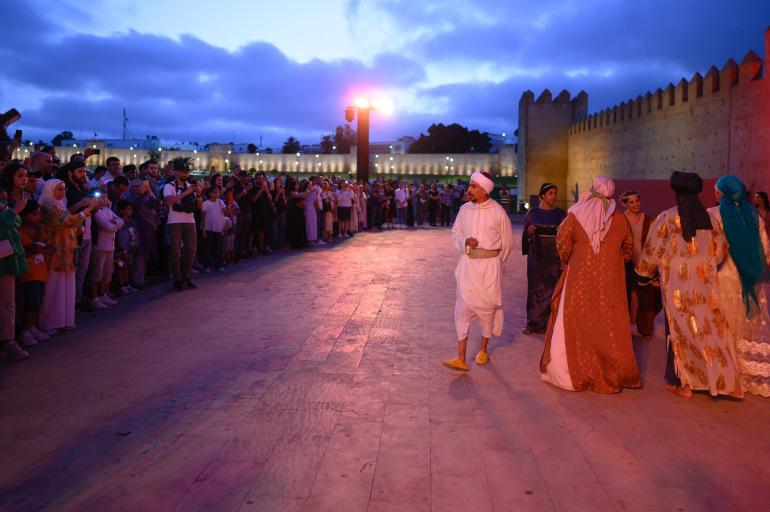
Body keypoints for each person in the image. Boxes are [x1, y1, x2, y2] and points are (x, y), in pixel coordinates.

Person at [636, 171, 741, 398]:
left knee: (680, 329)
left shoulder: (667, 217)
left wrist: (644, 275)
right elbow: (721, 251)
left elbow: (652, 251)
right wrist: (705, 264)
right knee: (708, 328)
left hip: (677, 282)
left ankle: (685, 384)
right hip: (705, 283)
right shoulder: (709, 220)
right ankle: (718, 381)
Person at [539, 176, 641, 393]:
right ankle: (614, 372)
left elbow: (562, 244)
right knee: (608, 324)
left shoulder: (575, 216)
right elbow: (628, 250)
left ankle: (575, 373)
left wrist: (573, 260)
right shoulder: (621, 220)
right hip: (611, 282)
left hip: (579, 279)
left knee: (577, 320)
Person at [442, 171, 514, 371]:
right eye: (470, 185)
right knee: (462, 309)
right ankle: (461, 357)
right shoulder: (464, 210)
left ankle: (483, 350)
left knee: (487, 309)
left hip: (490, 268)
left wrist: (495, 262)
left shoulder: (498, 212)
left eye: (473, 186)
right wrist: (465, 242)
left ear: (484, 190)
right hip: (468, 266)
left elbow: (508, 242)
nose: (469, 189)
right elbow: (455, 233)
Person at [708, 176, 770, 397]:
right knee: (746, 323)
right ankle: (745, 372)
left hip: (723, 278)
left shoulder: (713, 215)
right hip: (750, 280)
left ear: (720, 193)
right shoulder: (755, 216)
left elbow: (711, 252)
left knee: (724, 322)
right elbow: (764, 250)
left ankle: (725, 374)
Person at [38, 179, 94, 333]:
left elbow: (70, 224)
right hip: (55, 252)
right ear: (50, 190)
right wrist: (87, 210)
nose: (62, 193)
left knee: (66, 286)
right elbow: (65, 222)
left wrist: (78, 229)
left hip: (67, 251)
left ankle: (64, 320)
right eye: (58, 189)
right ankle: (50, 322)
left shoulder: (61, 206)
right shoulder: (47, 207)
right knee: (54, 288)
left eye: (63, 189)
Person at [522, 183, 566, 334]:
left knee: (552, 289)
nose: (553, 196)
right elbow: (525, 236)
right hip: (537, 255)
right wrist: (529, 231)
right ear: (542, 196)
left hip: (553, 256)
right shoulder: (532, 213)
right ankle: (532, 323)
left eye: (555, 193)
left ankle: (549, 323)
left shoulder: (560, 214)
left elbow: (565, 237)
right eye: (550, 193)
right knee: (535, 288)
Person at [621, 191, 662, 338]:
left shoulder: (647, 219)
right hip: (625, 261)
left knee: (644, 295)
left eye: (637, 201)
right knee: (627, 293)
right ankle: (627, 327)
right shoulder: (620, 219)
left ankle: (643, 327)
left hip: (643, 261)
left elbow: (654, 241)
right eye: (631, 202)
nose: (635, 204)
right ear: (625, 204)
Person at [0, 185, 29, 360]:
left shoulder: (4, 205)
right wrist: (13, 212)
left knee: (7, 302)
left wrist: (11, 212)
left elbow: (16, 221)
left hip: (6, 258)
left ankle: (8, 340)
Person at [17, 200, 51, 347]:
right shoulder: (19, 231)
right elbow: (27, 249)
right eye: (34, 214)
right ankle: (25, 330)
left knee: (38, 301)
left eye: (39, 214)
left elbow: (44, 245)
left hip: (41, 269)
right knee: (31, 302)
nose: (38, 217)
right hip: (29, 272)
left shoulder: (40, 228)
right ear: (24, 216)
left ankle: (33, 327)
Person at [163, 165, 201, 291]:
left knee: (191, 251)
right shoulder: (169, 186)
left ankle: (185, 277)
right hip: (174, 222)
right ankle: (177, 279)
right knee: (176, 251)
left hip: (190, 220)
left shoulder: (191, 185)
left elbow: (199, 206)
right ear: (177, 172)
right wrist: (186, 192)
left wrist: (199, 194)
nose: (185, 174)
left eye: (186, 172)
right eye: (182, 172)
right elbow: (169, 202)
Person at [201, 185, 227, 273]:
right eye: (214, 192)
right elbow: (203, 217)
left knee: (217, 248)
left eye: (218, 192)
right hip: (209, 229)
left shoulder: (220, 202)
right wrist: (204, 229)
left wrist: (227, 209)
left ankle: (218, 265)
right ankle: (207, 266)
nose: (217, 194)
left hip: (218, 228)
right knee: (208, 248)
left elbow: (225, 211)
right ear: (209, 194)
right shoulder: (205, 204)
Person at [114, 200, 138, 295]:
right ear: (121, 211)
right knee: (121, 267)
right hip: (122, 249)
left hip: (131, 247)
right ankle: (121, 286)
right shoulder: (119, 222)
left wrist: (136, 244)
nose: (130, 211)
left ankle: (126, 284)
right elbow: (118, 237)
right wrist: (122, 249)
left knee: (127, 266)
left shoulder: (132, 222)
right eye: (128, 209)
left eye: (131, 209)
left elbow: (135, 234)